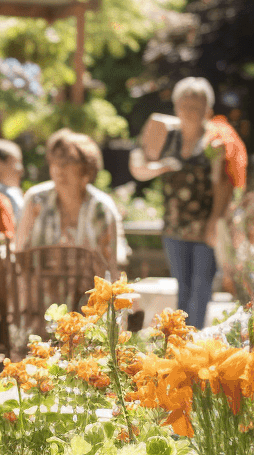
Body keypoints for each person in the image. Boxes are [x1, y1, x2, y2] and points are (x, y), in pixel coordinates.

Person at [130, 77, 246, 327]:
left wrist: (215, 221)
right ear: (176, 106)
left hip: (204, 228)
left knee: (202, 287)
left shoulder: (214, 141)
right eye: (185, 104)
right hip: (174, 225)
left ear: (208, 109)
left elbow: (223, 186)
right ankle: (179, 341)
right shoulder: (167, 138)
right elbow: (138, 167)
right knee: (182, 287)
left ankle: (197, 338)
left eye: (197, 105)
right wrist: (160, 167)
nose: (190, 111)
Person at [17, 129, 127, 273]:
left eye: (68, 162)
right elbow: (18, 251)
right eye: (55, 161)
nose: (59, 168)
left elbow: (114, 262)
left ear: (87, 170)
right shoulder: (36, 198)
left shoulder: (101, 207)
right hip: (38, 291)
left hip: (89, 292)